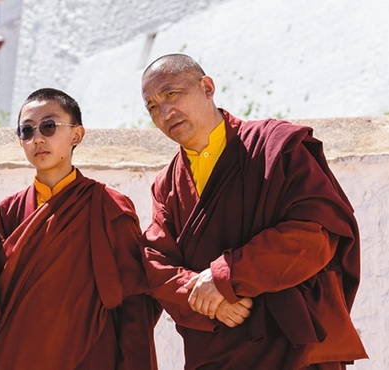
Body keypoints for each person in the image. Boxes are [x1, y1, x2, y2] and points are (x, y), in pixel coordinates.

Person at [141, 54, 367, 369]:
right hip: (217, 350)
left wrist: (226, 277)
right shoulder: (167, 185)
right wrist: (207, 299)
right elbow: (156, 267)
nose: (165, 112)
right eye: (152, 106)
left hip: (292, 348)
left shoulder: (273, 146)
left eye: (171, 94)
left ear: (207, 87)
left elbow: (314, 236)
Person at [0, 88, 159, 369]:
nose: (37, 138)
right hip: (18, 357)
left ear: (77, 135)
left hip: (90, 358)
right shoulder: (7, 213)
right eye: (26, 131)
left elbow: (134, 303)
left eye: (49, 126)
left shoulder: (108, 207)